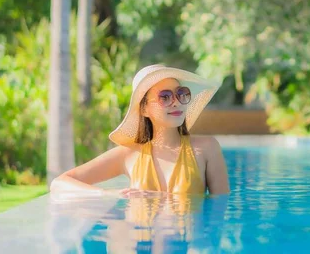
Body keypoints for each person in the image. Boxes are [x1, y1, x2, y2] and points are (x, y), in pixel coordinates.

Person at [50, 64, 230, 197]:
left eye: (181, 93)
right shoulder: (128, 154)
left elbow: (221, 207)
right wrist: (109, 194)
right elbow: (59, 183)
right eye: (165, 97)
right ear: (144, 109)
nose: (176, 101)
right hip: (143, 243)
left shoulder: (207, 148)